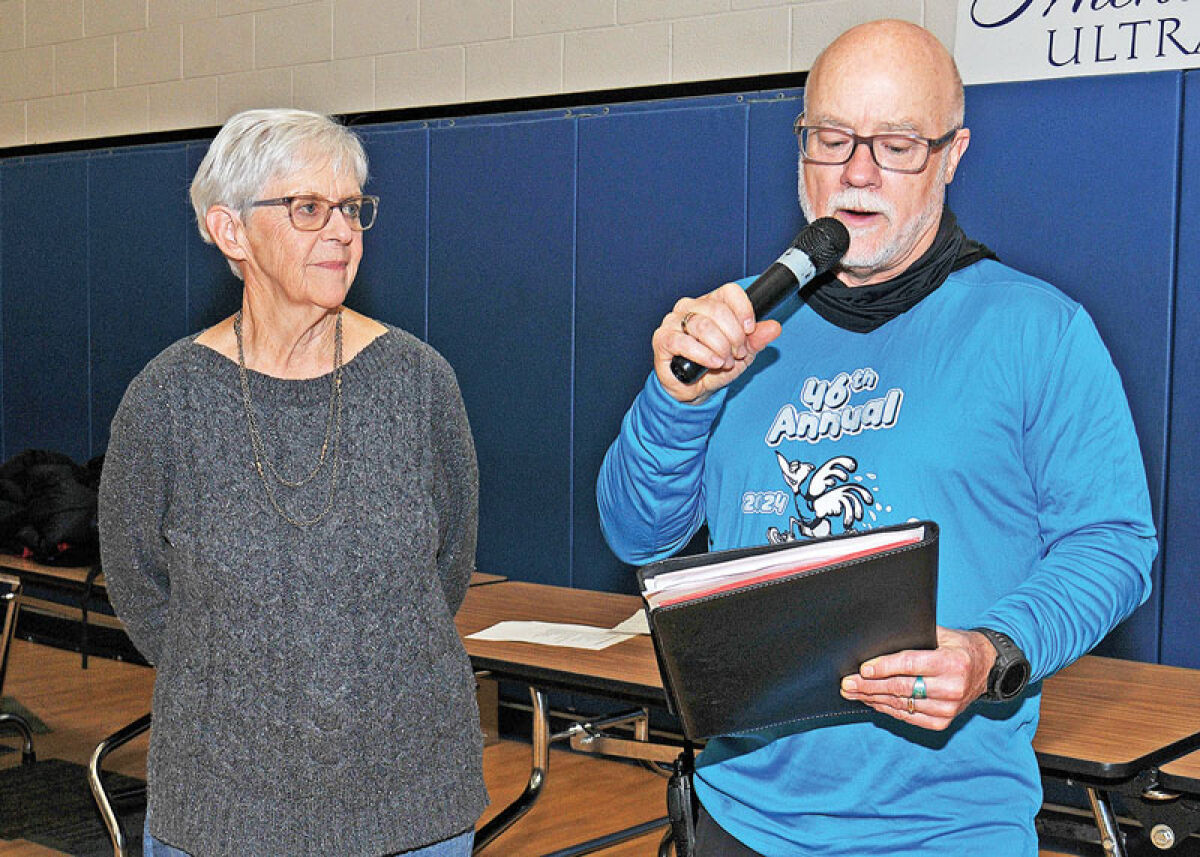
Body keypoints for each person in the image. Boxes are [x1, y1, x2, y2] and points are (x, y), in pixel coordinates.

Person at [597, 19, 1156, 857]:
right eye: (831, 139)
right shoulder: (737, 326)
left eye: (895, 145)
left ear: (952, 154)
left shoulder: (1038, 330)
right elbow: (637, 534)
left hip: (944, 830)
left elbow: (1113, 543)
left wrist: (995, 651)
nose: (857, 173)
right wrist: (675, 399)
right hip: (740, 817)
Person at [99, 108, 485, 856]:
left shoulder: (419, 382)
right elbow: (138, 581)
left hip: (411, 804)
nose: (342, 231)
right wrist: (234, 682)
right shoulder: (166, 399)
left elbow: (448, 565)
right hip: (220, 807)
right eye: (309, 208)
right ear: (231, 231)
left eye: (351, 208)